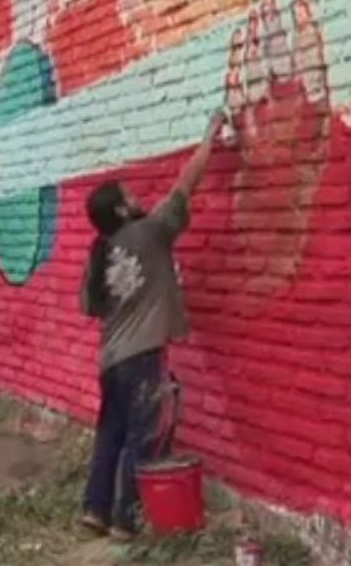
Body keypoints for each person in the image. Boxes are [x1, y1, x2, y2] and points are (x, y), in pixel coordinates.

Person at [78, 111, 227, 540]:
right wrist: (207, 140)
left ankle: (96, 509)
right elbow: (185, 187)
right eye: (130, 193)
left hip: (110, 360)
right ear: (123, 209)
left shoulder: (99, 252)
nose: (138, 195)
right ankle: (127, 519)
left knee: (111, 433)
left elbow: (89, 305)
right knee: (145, 436)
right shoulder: (150, 232)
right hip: (142, 357)